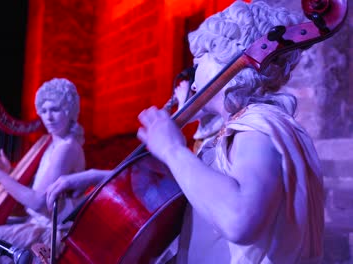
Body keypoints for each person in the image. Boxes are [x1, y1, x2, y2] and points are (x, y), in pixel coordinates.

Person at [46, 1, 324, 263]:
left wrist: (172, 150)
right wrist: (102, 180)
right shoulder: (242, 127)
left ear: (229, 60)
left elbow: (239, 218)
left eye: (199, 62)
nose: (191, 84)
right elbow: (196, 192)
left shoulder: (259, 128)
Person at [0, 78, 86, 263]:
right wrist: (9, 171)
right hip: (34, 223)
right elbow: (41, 189)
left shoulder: (67, 147)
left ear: (69, 111)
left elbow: (39, 202)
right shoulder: (52, 144)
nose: (48, 117)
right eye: (43, 111)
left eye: (55, 109)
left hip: (49, 232)